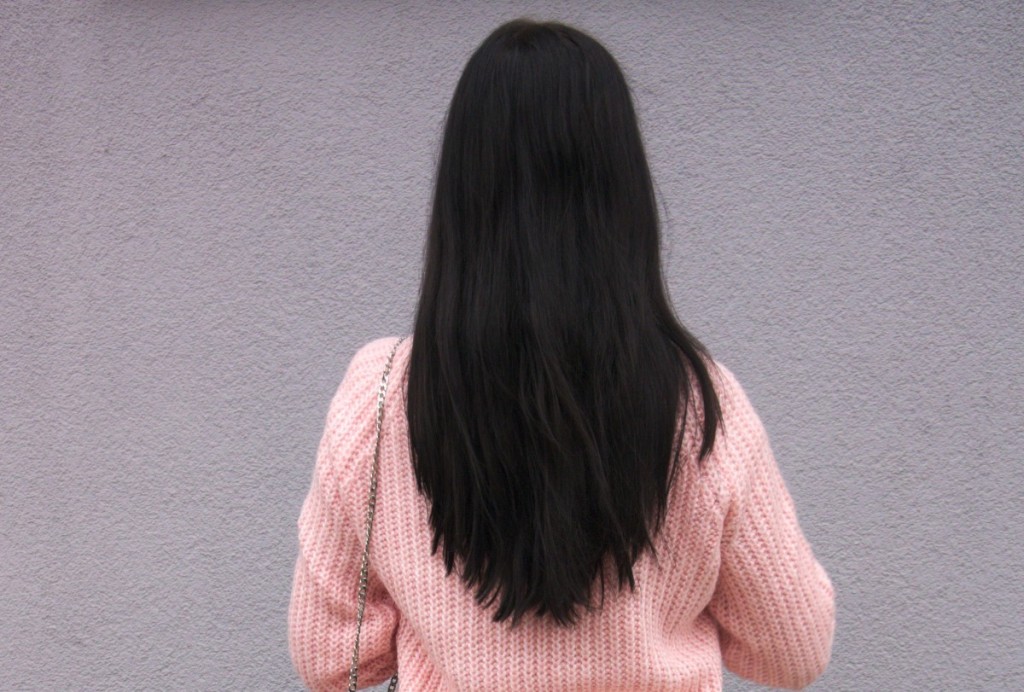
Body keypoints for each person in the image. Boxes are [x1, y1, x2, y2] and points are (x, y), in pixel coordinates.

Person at [288, 18, 835, 691]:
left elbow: (330, 658)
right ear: (622, 193)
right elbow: (793, 652)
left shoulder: (378, 397)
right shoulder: (698, 406)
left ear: (462, 194)